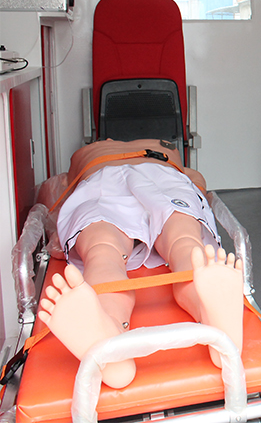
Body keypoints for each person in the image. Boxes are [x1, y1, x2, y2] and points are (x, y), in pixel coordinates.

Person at [37, 138, 243, 390]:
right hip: (165, 177)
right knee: (184, 243)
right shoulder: (167, 149)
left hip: (99, 181)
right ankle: (208, 315)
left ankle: (110, 330)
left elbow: (50, 198)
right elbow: (197, 183)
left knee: (103, 252)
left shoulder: (84, 154)